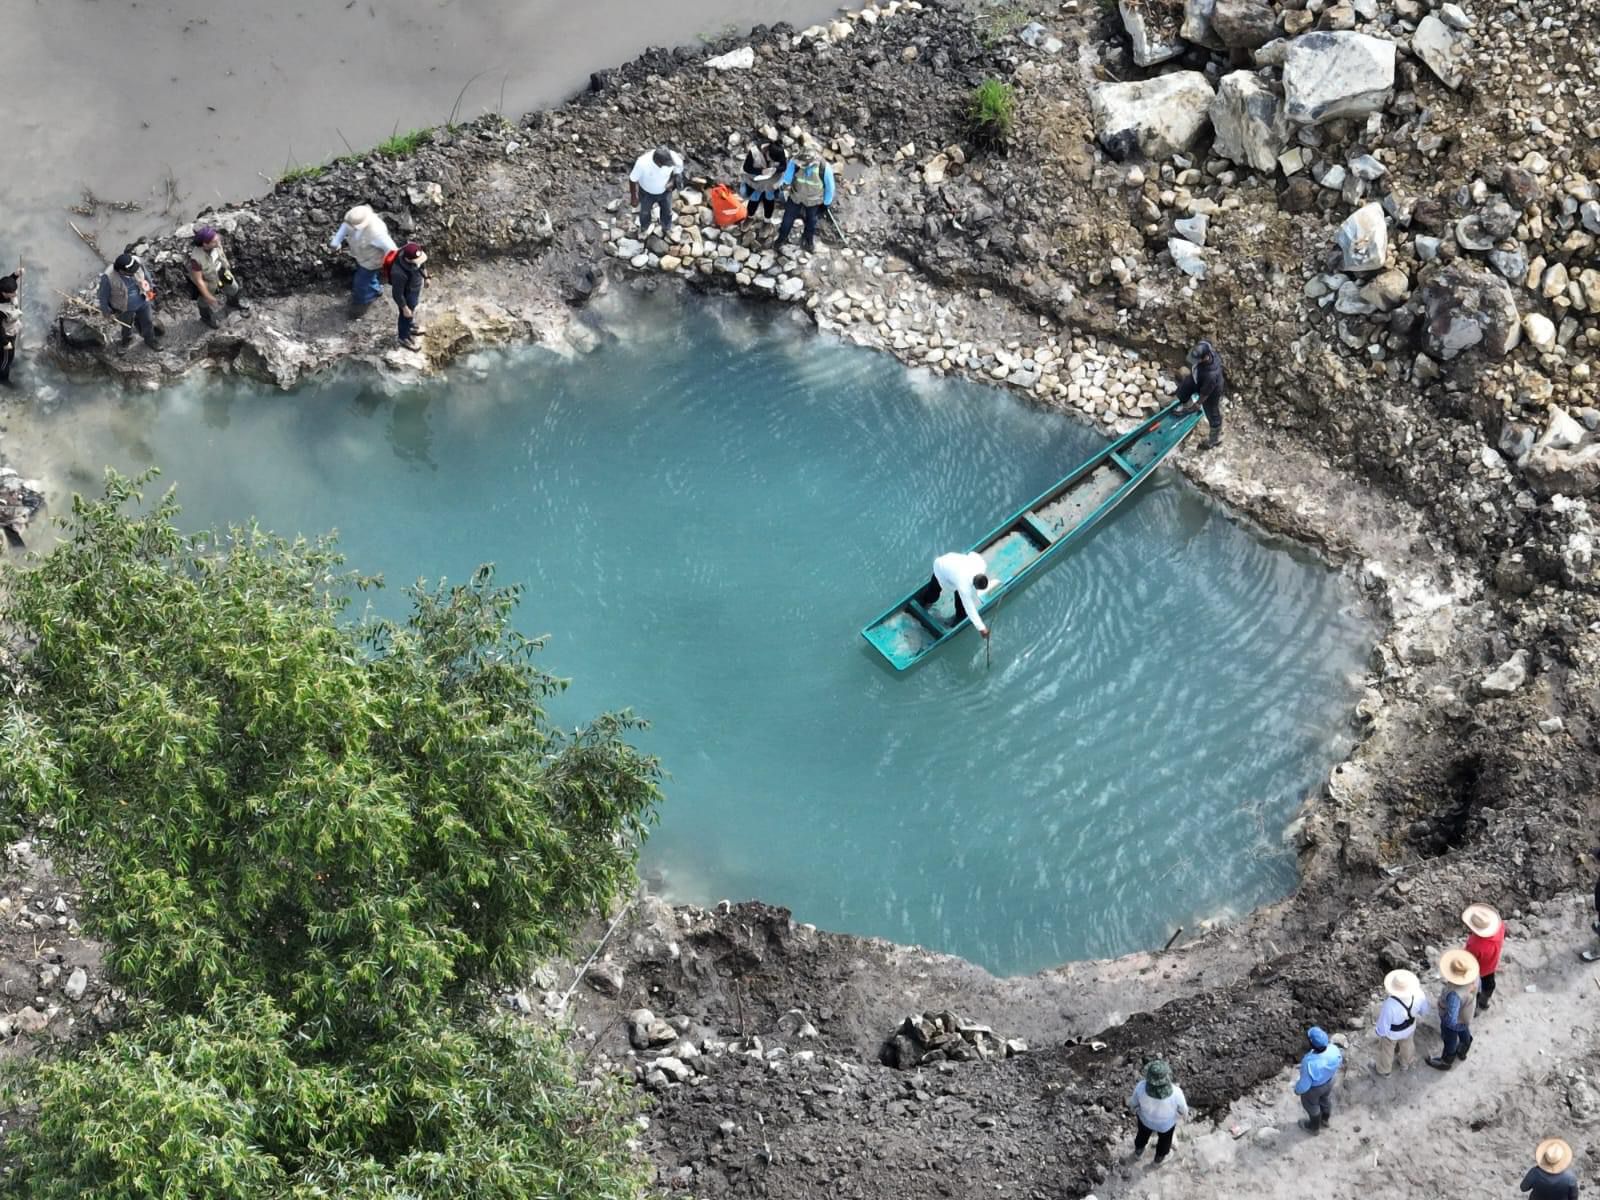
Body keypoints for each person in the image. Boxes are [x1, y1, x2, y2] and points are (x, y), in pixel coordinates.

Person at [329, 205, 398, 316]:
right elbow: (344, 227)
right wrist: (335, 242)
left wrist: (389, 267)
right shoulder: (353, 220)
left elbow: (392, 250)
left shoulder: (376, 232)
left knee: (360, 283)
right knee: (368, 277)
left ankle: (363, 302)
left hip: (372, 261)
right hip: (361, 256)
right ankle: (375, 290)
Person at [184, 225, 250, 329]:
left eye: (217, 238)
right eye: (214, 241)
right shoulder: (196, 259)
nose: (218, 241)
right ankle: (206, 317)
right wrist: (207, 295)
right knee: (204, 301)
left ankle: (232, 302)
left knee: (234, 288)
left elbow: (221, 254)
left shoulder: (216, 244)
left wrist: (226, 266)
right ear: (205, 244)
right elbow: (199, 280)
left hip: (221, 271)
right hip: (208, 280)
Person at [914, 551, 991, 638]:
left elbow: (972, 554)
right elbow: (970, 608)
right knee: (935, 592)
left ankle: (960, 615)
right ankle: (927, 600)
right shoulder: (963, 585)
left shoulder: (981, 565)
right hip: (940, 569)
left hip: (950, 560)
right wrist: (982, 628)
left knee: (959, 592)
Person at [776, 143, 836, 253]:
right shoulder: (795, 163)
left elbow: (830, 189)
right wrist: (782, 186)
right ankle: (781, 238)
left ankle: (808, 240)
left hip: (814, 201)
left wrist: (826, 203)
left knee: (811, 221)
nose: (801, 165)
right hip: (796, 196)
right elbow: (787, 179)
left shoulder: (824, 169)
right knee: (787, 220)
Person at [1126, 1059, 1188, 1166]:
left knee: (1142, 1135)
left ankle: (1138, 1153)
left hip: (1145, 1120)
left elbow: (1133, 1104)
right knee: (1165, 1141)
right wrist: (1183, 1117)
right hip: (1166, 1125)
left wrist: (1134, 1110)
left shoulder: (1141, 1087)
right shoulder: (1176, 1092)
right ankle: (1158, 1160)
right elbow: (1183, 1110)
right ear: (1167, 1076)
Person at [1426, 948, 1479, 1071]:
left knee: (1450, 1040)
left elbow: (1451, 1020)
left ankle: (1446, 1061)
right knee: (1464, 1031)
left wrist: (1444, 1016)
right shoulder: (1474, 977)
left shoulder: (1454, 995)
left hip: (1455, 1022)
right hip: (1467, 1014)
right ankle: (1463, 1049)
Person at [96, 252, 162, 349]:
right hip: (124, 308)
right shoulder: (108, 278)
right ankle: (126, 340)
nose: (134, 273)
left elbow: (146, 275)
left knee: (148, 321)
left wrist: (150, 288)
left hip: (143, 301)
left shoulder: (136, 264)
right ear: (121, 271)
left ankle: (150, 340)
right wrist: (106, 312)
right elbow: (103, 297)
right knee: (126, 326)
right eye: (131, 272)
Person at [1171, 340, 1226, 450]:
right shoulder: (1206, 346)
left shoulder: (1211, 374)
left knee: (1212, 412)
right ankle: (1187, 408)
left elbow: (1205, 392)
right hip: (1197, 377)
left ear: (1205, 358)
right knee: (1183, 390)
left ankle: (1214, 439)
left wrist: (1198, 403)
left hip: (1211, 390)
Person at [1374, 968, 1429, 1076]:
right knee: (1407, 1045)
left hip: (1392, 1034)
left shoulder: (1389, 1004)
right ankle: (1405, 1063)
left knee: (1387, 1050)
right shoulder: (1419, 994)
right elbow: (1424, 1011)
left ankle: (1385, 1070)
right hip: (1410, 1027)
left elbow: (1383, 1027)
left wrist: (1380, 1033)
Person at [1293, 1026, 1343, 1133]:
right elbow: (1339, 1061)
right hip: (1330, 1081)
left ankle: (1313, 1128)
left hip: (1315, 1089)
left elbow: (1305, 1085)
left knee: (1312, 1105)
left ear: (1312, 1044)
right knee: (1325, 1099)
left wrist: (1297, 1090)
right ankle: (1325, 1120)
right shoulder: (1334, 1049)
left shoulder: (1309, 1062)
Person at [628, 146, 685, 237]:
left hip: (665, 192)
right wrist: (634, 197)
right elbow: (632, 179)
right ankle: (644, 227)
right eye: (667, 164)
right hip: (646, 193)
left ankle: (666, 227)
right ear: (658, 163)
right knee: (644, 212)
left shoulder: (673, 158)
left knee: (667, 211)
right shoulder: (642, 163)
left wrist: (672, 181)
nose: (669, 165)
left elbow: (677, 170)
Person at [1462, 903, 1505, 1011]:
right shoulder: (1500, 928)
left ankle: (1475, 1008)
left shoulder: (1475, 945)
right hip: (1492, 965)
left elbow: (1468, 961)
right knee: (1489, 985)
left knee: (1474, 991)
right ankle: (1483, 1003)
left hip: (1478, 970)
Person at [389, 242, 428, 350]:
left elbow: (422, 264)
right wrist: (404, 308)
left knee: (413, 307)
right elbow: (397, 294)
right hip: (407, 294)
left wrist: (426, 277)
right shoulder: (398, 273)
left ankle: (410, 325)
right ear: (408, 259)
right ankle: (403, 336)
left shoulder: (415, 254)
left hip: (415, 289)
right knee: (405, 315)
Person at [740, 136, 788, 222]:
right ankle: (750, 216)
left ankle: (767, 220)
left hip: (771, 179)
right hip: (757, 178)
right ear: (767, 151)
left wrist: (776, 169)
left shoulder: (779, 151)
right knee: (755, 195)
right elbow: (746, 168)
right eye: (770, 158)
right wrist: (761, 171)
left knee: (769, 195)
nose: (770, 160)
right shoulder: (754, 152)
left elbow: (784, 166)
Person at [0, 267, 22, 387]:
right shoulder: (0, 310)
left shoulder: (3, 288)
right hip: (5, 335)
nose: (15, 294)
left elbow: (6, 282)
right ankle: (3, 378)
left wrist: (15, 275)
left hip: (12, 329)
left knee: (10, 355)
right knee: (6, 359)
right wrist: (4, 343)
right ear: (4, 293)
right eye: (12, 293)